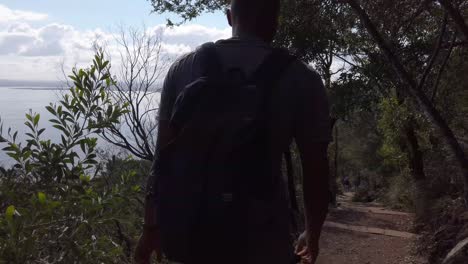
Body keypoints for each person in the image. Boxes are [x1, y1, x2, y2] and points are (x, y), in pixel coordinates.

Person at [135, 0, 331, 263]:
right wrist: (312, 231)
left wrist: (151, 229)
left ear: (229, 17)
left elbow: (162, 160)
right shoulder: (301, 77)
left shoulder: (184, 69)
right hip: (264, 239)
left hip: (194, 231)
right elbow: (315, 167)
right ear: (276, 20)